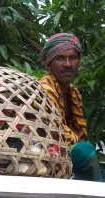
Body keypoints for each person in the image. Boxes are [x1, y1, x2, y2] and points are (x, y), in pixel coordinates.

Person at [39, 33, 103, 182]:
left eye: (73, 58)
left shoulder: (73, 92)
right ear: (49, 63)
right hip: (43, 152)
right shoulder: (44, 89)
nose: (68, 64)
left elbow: (78, 133)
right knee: (84, 150)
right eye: (60, 58)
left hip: (65, 152)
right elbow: (58, 132)